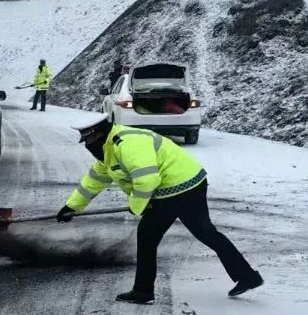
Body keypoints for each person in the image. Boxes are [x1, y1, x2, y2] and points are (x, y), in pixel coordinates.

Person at [57, 118, 263, 304]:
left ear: (99, 134)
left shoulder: (127, 144)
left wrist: (138, 206)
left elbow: (147, 179)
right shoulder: (109, 149)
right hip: (189, 183)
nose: (88, 146)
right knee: (205, 233)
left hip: (179, 187)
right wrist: (71, 207)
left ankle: (143, 292)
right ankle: (248, 276)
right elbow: (95, 180)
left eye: (89, 141)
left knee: (148, 235)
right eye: (85, 142)